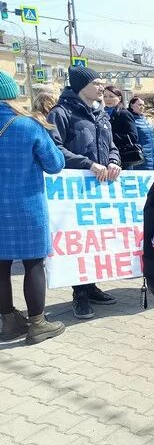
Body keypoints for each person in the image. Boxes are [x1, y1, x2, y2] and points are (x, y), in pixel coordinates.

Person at [48, 66, 121, 320]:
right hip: (75, 191)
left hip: (99, 189)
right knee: (77, 240)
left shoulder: (101, 114)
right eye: (98, 83)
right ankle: (79, 293)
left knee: (95, 239)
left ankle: (91, 287)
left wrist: (113, 161)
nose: (102, 87)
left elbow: (111, 146)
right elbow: (55, 150)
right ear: (82, 86)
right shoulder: (61, 113)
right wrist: (88, 164)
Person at [0, 71, 66, 345]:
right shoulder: (28, 125)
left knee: (0, 266)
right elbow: (55, 164)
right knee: (33, 263)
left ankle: (8, 320)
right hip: (26, 207)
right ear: (12, 93)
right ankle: (37, 323)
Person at [103, 85, 140, 169]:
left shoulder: (124, 114)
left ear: (119, 98)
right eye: (105, 96)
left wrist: (110, 136)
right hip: (106, 155)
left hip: (123, 156)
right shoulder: (101, 113)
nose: (107, 99)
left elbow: (133, 137)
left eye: (111, 96)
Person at [128, 96, 154, 170]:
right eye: (139, 105)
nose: (142, 107)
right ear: (131, 105)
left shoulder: (144, 119)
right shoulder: (129, 120)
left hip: (152, 158)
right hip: (140, 159)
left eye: (143, 105)